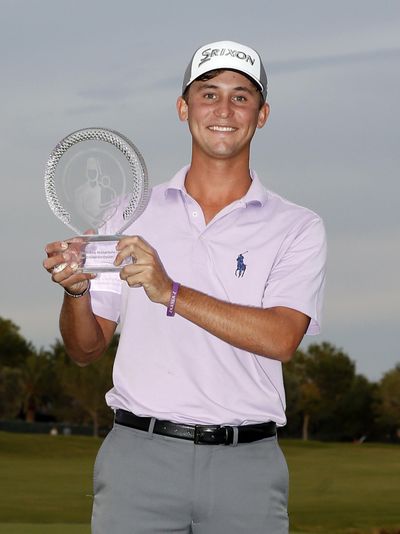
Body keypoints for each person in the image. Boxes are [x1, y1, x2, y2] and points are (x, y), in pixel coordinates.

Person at [43, 40, 327, 534]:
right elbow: (87, 348)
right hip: (139, 460)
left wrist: (169, 291)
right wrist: (76, 292)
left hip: (247, 466)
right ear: (183, 107)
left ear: (261, 115)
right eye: (208, 93)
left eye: (241, 97)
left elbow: (282, 338)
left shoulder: (298, 226)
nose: (223, 110)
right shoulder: (128, 211)